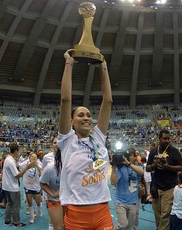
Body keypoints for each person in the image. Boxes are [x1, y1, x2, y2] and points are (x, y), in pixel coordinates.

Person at [58, 49, 114, 229]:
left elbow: (108, 101)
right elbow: (66, 99)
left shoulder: (98, 137)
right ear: (72, 122)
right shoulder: (67, 141)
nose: (86, 118)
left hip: (103, 210)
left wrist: (103, 67)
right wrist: (69, 63)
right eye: (81, 115)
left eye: (89, 115)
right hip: (76, 212)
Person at [146, 129, 182, 230]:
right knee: (157, 214)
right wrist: (154, 165)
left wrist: (168, 167)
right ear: (159, 139)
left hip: (169, 188)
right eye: (164, 138)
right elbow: (147, 168)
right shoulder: (154, 151)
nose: (167, 140)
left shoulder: (174, 151)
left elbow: (181, 167)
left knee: (165, 215)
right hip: (156, 188)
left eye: (168, 138)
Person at [2, 143, 35, 228]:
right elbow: (17, 175)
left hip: (6, 186)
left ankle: (7, 220)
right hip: (12, 187)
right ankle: (16, 222)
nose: (19, 152)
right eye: (18, 151)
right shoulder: (10, 161)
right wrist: (27, 168)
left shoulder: (8, 159)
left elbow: (15, 167)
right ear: (16, 151)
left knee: (9, 203)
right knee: (16, 205)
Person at [110, 148, 144, 230]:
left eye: (130, 156)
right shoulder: (119, 168)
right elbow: (113, 182)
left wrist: (128, 164)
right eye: (126, 156)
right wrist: (114, 166)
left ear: (135, 157)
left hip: (133, 201)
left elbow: (141, 172)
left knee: (130, 227)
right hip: (120, 202)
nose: (128, 157)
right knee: (123, 224)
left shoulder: (137, 167)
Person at [40, 148, 64, 230]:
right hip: (54, 200)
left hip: (69, 199)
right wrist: (52, 194)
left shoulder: (74, 167)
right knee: (58, 227)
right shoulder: (50, 168)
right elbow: (42, 183)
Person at [19, 152, 43, 224]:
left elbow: (41, 173)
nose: (33, 159)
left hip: (36, 188)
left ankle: (38, 209)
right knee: (30, 204)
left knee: (38, 203)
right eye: (32, 157)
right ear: (29, 158)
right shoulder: (25, 164)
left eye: (35, 158)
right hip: (28, 187)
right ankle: (32, 216)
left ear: (36, 159)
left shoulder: (38, 165)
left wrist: (36, 166)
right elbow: (18, 166)